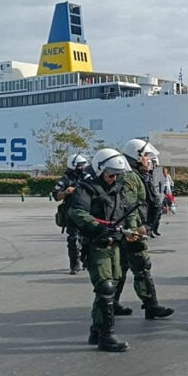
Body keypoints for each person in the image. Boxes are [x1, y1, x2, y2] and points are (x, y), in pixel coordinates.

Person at [69, 148, 138, 352]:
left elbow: (126, 211)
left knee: (111, 287)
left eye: (117, 174)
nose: (114, 178)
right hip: (97, 244)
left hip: (115, 244)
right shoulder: (86, 188)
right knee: (105, 287)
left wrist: (132, 230)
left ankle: (96, 329)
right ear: (100, 170)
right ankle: (107, 336)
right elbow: (77, 212)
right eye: (111, 174)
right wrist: (98, 227)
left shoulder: (118, 188)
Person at [113, 139, 175, 319]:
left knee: (123, 267)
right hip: (131, 231)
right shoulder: (130, 177)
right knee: (141, 266)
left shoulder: (139, 176)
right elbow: (129, 206)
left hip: (131, 229)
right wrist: (135, 230)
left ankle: (114, 304)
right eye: (146, 156)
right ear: (137, 156)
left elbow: (152, 202)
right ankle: (151, 306)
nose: (149, 161)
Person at [52, 154, 90, 274]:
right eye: (80, 165)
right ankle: (74, 265)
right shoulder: (65, 179)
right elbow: (56, 196)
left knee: (88, 238)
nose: (83, 167)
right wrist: (66, 192)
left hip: (87, 212)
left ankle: (87, 261)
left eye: (84, 164)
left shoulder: (87, 177)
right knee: (73, 240)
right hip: (71, 213)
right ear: (73, 166)